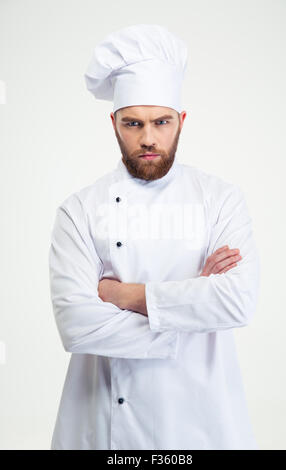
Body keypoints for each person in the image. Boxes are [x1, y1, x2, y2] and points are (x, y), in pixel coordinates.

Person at [48, 24, 260, 450]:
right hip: (105, 423)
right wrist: (195, 302)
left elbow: (237, 301)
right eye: (133, 123)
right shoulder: (81, 210)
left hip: (202, 419)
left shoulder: (220, 200)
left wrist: (123, 295)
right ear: (113, 123)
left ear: (181, 121)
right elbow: (77, 327)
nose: (148, 138)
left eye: (161, 122)